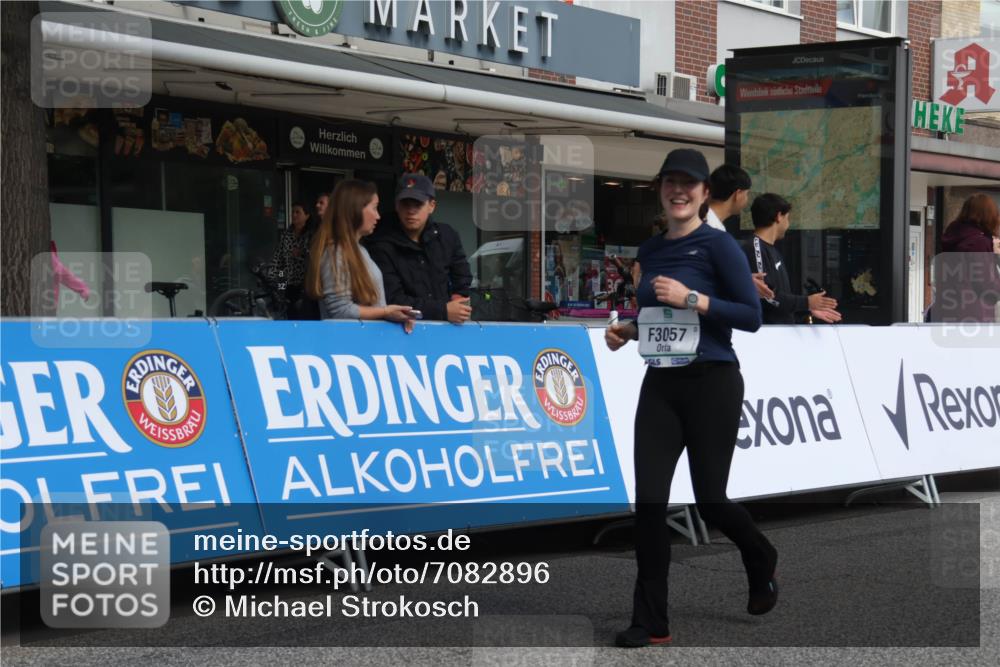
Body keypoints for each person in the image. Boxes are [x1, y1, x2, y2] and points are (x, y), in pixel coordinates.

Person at [604, 148, 777, 649]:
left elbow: (750, 316)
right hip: (661, 383)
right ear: (660, 190)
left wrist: (693, 298)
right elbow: (662, 322)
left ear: (704, 193)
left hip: (713, 381)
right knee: (650, 504)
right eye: (670, 183)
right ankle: (650, 620)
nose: (678, 191)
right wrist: (629, 330)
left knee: (710, 499)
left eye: (689, 184)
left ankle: (760, 554)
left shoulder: (719, 247)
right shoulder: (651, 250)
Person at [305, 180, 416, 332]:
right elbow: (340, 310)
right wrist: (385, 312)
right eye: (374, 208)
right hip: (349, 346)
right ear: (355, 209)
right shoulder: (336, 252)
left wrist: (394, 316)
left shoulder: (360, 250)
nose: (378, 216)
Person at [367, 174, 473, 324]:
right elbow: (394, 299)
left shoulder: (447, 235)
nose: (411, 211)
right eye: (405, 204)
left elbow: (462, 276)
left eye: (417, 204)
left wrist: (458, 302)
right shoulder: (381, 244)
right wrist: (443, 310)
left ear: (432, 206)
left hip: (448, 329)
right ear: (396, 205)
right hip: (403, 331)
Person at [742, 193, 841, 325]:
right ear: (778, 217)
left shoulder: (772, 250)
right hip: (768, 335)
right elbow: (767, 296)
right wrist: (806, 302)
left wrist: (807, 308)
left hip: (783, 331)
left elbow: (781, 300)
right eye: (787, 218)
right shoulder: (755, 248)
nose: (788, 224)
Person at [933, 192, 1000, 323]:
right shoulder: (978, 243)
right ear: (989, 216)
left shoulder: (954, 238)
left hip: (949, 312)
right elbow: (987, 286)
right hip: (973, 317)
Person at [268, 201, 316, 319]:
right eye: (293, 212)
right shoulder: (286, 234)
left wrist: (302, 253)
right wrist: (274, 275)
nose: (294, 215)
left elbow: (314, 258)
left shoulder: (311, 235)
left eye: (297, 212)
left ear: (307, 215)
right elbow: (279, 257)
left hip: (304, 285)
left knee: (303, 314)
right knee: (288, 311)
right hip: (287, 280)